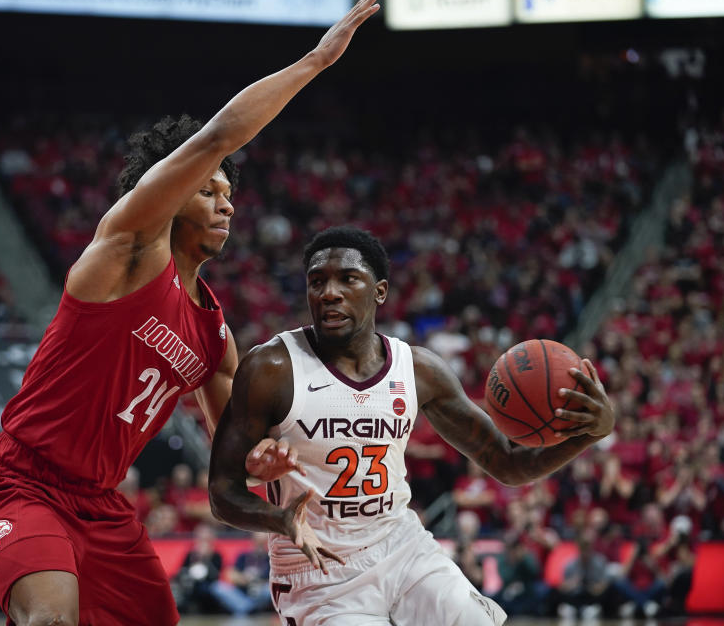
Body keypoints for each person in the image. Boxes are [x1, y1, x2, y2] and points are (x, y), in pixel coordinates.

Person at [0, 0, 381, 625]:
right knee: (50, 619)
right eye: (209, 188)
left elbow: (230, 458)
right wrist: (315, 63)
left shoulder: (213, 336)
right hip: (23, 481)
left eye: (229, 193)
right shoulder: (127, 251)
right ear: (173, 190)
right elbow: (218, 136)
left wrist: (261, 460)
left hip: (101, 504)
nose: (226, 203)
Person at [208, 227, 616, 625]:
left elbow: (509, 464)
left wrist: (590, 433)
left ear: (379, 291)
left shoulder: (418, 370)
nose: (329, 292)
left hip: (401, 548)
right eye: (317, 281)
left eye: (348, 278)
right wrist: (277, 519)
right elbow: (222, 493)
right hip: (319, 568)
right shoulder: (272, 368)